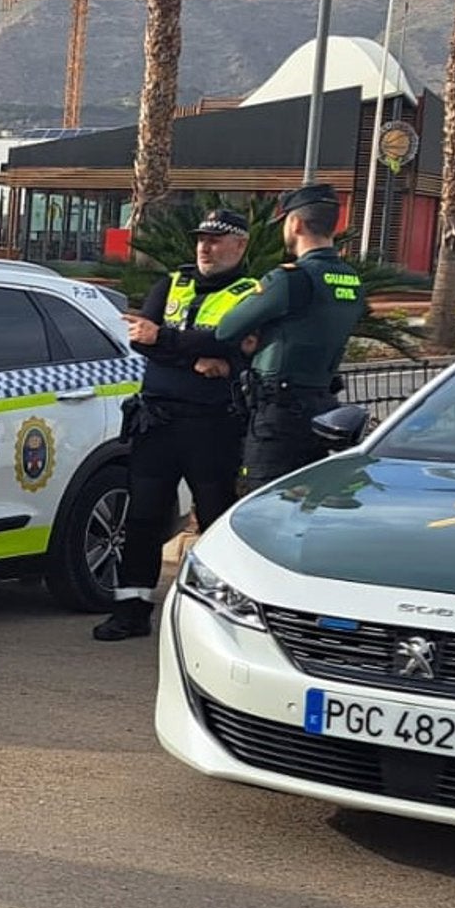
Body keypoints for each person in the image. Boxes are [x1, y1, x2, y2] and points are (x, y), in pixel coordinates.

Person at [93, 209, 260, 641]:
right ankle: (131, 611)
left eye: (216, 240)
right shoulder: (171, 284)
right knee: (143, 517)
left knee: (216, 519)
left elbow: (234, 343)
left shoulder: (251, 293)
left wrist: (171, 341)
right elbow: (141, 340)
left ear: (240, 245)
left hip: (213, 426)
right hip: (158, 420)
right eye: (201, 239)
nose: (205, 247)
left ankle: (225, 616)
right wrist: (201, 356)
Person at [214, 184, 366, 494]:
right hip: (322, 407)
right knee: (308, 499)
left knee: (263, 499)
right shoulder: (352, 280)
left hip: (278, 416)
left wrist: (259, 336)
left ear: (295, 223)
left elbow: (226, 329)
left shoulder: (289, 278)